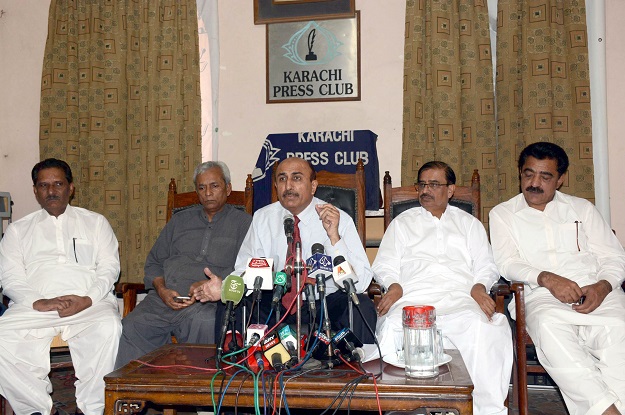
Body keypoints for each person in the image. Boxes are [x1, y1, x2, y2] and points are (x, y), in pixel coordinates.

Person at [490, 142, 625, 415]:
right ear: (520, 173)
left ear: (561, 179)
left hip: (597, 293)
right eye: (528, 174)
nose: (534, 183)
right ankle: (608, 412)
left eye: (545, 177)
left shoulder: (582, 209)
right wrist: (547, 279)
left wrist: (602, 286)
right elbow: (507, 262)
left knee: (619, 332)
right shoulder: (503, 214)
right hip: (541, 295)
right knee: (551, 332)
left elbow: (614, 257)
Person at [373, 161, 512, 415]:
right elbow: (385, 264)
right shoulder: (402, 223)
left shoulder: (469, 224)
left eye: (434, 184)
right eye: (422, 184)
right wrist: (393, 287)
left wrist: (479, 288)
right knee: (393, 325)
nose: (426, 190)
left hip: (460, 297)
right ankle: (405, 409)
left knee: (481, 327)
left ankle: (483, 410)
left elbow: (486, 265)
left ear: (450, 190)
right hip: (412, 298)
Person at [194, 156, 376, 344]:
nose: (288, 185)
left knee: (361, 307)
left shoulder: (339, 220)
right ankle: (235, 369)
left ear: (313, 186)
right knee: (232, 305)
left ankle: (357, 371)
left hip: (324, 304)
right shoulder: (263, 218)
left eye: (296, 178)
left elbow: (360, 284)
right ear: (275, 186)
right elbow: (245, 270)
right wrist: (226, 288)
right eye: (282, 179)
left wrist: (334, 238)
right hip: (275, 304)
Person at [0, 158, 121, 415]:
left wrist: (87, 299)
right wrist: (38, 302)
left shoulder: (96, 223)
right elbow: (10, 278)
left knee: (108, 327)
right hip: (35, 306)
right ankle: (36, 409)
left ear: (71, 188)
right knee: (2, 335)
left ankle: (92, 409)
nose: (51, 191)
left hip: (89, 304)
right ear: (35, 191)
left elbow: (109, 270)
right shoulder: (18, 231)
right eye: (43, 185)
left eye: (58, 184)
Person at [115, 161, 252, 369]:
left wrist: (207, 286)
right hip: (164, 299)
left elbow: (245, 268)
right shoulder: (180, 221)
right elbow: (154, 262)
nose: (208, 193)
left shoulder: (244, 223)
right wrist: (161, 290)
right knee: (132, 325)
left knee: (205, 323)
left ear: (228, 188)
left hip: (207, 303)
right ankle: (136, 394)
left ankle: (199, 393)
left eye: (214, 186)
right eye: (201, 187)